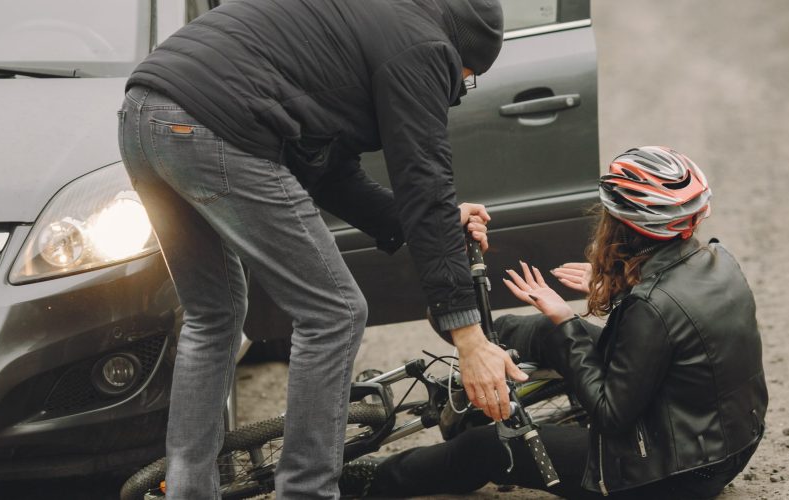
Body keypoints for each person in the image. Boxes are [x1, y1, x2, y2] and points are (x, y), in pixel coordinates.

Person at [116, 0, 526, 498]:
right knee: (334, 313)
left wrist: (422, 220)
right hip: (214, 125)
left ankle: (188, 491)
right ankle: (307, 492)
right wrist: (470, 337)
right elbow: (425, 180)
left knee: (215, 313)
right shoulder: (425, 47)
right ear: (463, 52)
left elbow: (331, 170)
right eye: (466, 78)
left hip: (143, 116)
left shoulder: (366, 21)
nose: (458, 90)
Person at [341, 146, 769, 499]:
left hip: (665, 476)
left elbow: (610, 414)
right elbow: (677, 333)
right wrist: (617, 290)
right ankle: (478, 344)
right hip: (727, 443)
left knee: (487, 447)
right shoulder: (718, 261)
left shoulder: (650, 308)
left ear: (624, 227)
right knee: (549, 333)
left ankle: (373, 480)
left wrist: (566, 318)